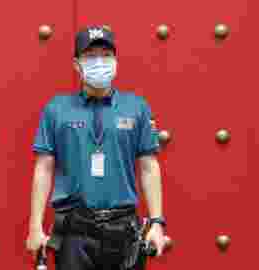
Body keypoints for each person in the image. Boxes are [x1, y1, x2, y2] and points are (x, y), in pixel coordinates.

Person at [27, 25, 166, 269]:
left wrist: (156, 222)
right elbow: (44, 169)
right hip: (74, 231)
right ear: (76, 64)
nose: (99, 62)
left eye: (106, 55)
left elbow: (148, 167)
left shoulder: (137, 107)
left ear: (116, 61)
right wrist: (35, 226)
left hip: (124, 230)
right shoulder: (56, 109)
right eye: (90, 56)